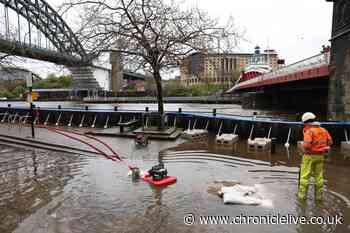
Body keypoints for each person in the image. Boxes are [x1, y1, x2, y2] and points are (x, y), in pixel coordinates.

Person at [298, 112, 333, 201]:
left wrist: (302, 145)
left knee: (304, 177)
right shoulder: (323, 130)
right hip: (320, 156)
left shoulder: (309, 131)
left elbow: (306, 145)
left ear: (306, 122)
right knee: (319, 177)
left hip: (309, 156)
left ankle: (301, 198)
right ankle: (318, 198)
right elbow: (330, 142)